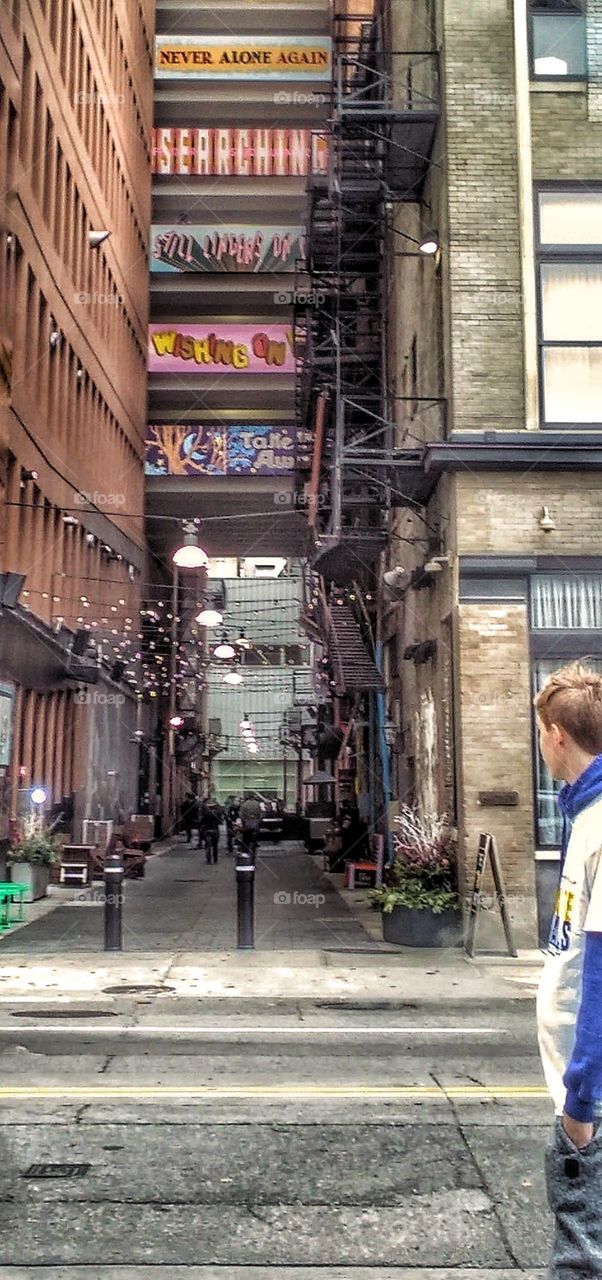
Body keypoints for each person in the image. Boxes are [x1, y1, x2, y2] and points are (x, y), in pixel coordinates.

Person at [534, 662, 602, 1277]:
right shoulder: (583, 814)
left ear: (557, 735)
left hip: (592, 1101)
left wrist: (581, 1101)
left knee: (582, 1255)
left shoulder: (599, 823)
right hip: (584, 1088)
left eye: (539, 733)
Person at [200, 794, 223, 864]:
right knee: (215, 845)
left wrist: (201, 824)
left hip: (207, 827)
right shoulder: (217, 806)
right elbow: (221, 818)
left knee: (207, 844)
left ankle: (208, 860)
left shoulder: (204, 806)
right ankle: (215, 859)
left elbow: (201, 817)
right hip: (215, 828)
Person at [239, 792, 262, 860]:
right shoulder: (257, 804)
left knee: (246, 839)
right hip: (255, 824)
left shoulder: (244, 804)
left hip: (247, 824)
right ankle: (253, 853)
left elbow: (241, 815)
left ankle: (246, 853)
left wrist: (244, 821)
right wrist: (258, 821)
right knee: (254, 840)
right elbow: (261, 814)